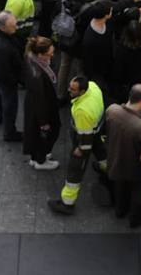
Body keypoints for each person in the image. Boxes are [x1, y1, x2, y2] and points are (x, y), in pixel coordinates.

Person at [49, 73, 107, 215]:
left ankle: (67, 203)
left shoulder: (82, 111)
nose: (69, 91)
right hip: (97, 130)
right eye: (70, 87)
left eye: (73, 89)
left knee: (75, 170)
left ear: (82, 91)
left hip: (85, 136)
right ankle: (107, 169)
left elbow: (85, 136)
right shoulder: (93, 87)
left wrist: (81, 149)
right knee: (101, 152)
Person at [104, 83, 141, 227]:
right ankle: (135, 219)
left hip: (114, 159)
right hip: (134, 167)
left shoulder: (112, 110)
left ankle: (120, 210)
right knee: (137, 192)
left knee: (119, 187)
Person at [0, 11, 25, 143]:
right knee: (10, 103)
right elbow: (5, 71)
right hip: (6, 78)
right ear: (3, 27)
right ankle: (9, 133)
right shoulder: (1, 48)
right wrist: (16, 80)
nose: (16, 27)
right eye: (13, 26)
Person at [24, 36, 61, 169]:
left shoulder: (30, 57)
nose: (52, 55)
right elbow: (41, 101)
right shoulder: (38, 76)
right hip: (42, 111)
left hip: (32, 106)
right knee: (51, 131)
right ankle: (41, 160)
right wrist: (44, 122)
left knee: (34, 134)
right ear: (40, 55)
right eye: (50, 54)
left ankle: (36, 157)